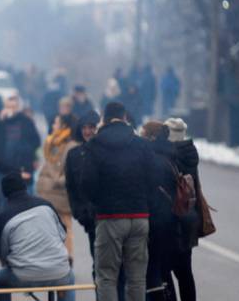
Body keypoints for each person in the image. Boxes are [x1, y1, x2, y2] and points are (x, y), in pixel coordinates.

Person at [84, 102, 154, 301]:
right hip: (140, 216)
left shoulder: (94, 145)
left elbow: (86, 183)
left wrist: (100, 201)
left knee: (106, 277)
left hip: (109, 216)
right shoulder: (141, 144)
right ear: (125, 118)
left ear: (104, 119)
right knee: (137, 278)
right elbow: (153, 178)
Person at [0, 172, 75, 301]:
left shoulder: (4, 215)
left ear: (4, 193)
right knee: (69, 277)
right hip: (58, 272)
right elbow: (62, 234)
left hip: (23, 276)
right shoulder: (45, 205)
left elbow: (3, 254)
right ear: (24, 186)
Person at [139, 121, 178, 301]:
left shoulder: (153, 158)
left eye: (143, 133)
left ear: (151, 136)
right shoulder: (169, 154)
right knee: (163, 270)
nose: (140, 135)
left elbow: (151, 188)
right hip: (168, 219)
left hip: (156, 220)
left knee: (153, 270)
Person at [164, 118, 200, 301]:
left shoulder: (170, 156)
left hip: (173, 220)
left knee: (165, 271)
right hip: (189, 219)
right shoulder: (190, 153)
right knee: (185, 273)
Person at [37, 113, 78, 260]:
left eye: (56, 123)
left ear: (64, 127)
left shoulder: (71, 146)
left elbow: (70, 173)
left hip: (60, 195)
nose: (53, 126)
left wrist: (54, 182)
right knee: (52, 230)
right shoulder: (54, 143)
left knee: (64, 228)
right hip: (49, 194)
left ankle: (66, 258)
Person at [65, 110, 100, 260]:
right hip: (88, 217)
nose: (87, 131)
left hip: (108, 214)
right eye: (84, 128)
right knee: (96, 260)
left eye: (91, 127)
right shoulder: (73, 154)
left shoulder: (104, 151)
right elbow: (71, 187)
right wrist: (79, 213)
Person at [0, 96, 41, 192]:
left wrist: (29, 154)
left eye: (14, 107)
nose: (11, 110)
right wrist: (0, 120)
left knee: (27, 191)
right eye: (9, 107)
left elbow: (36, 141)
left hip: (24, 164)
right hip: (4, 166)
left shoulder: (26, 121)